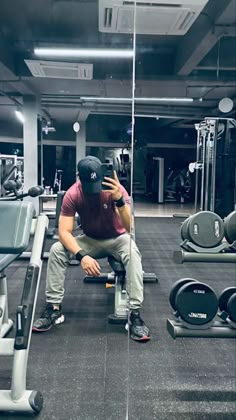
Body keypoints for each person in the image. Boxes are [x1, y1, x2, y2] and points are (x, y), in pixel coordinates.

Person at [33, 156, 150, 342]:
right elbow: (64, 232)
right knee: (56, 249)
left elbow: (130, 228)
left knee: (132, 250)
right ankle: (53, 308)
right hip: (90, 240)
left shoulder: (115, 188)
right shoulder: (73, 194)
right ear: (80, 177)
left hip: (117, 238)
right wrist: (81, 256)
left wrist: (119, 200)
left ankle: (134, 314)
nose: (94, 191)